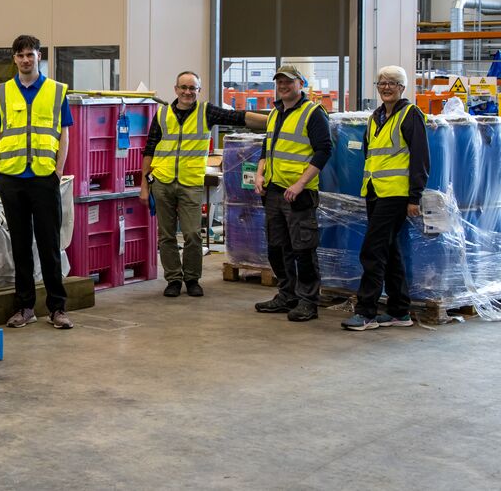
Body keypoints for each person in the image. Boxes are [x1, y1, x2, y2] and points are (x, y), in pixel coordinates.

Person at [141, 71, 268, 298]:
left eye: (193, 88)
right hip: (162, 181)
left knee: (192, 234)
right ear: (176, 89)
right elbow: (149, 150)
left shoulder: (205, 112)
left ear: (198, 91)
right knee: (166, 236)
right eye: (184, 87)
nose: (188, 92)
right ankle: (173, 279)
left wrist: (275, 122)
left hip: (190, 182)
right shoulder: (161, 115)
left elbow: (239, 117)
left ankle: (191, 279)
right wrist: (144, 186)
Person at [0, 35, 75, 330]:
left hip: (44, 177)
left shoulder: (56, 91)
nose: (26, 59)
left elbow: (65, 133)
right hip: (12, 179)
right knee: (20, 246)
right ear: (14, 59)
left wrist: (58, 169)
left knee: (50, 244)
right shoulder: (1, 92)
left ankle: (57, 308)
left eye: (31, 54)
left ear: (40, 56)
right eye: (21, 55)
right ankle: (24, 307)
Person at [342, 66, 428, 331]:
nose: (386, 87)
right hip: (374, 191)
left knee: (373, 250)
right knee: (389, 251)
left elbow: (420, 159)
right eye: (382, 83)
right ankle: (399, 311)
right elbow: (371, 155)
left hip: (396, 194)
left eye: (393, 83)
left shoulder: (410, 115)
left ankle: (366, 312)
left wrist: (415, 196)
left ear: (403, 88)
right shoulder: (375, 117)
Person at [253, 64, 332, 322]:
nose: (283, 86)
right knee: (277, 247)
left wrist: (300, 184)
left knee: (303, 249)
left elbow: (324, 151)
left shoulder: (313, 113)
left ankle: (308, 300)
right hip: (274, 191)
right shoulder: (276, 113)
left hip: (299, 193)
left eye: (288, 81)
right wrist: (260, 173)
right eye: (279, 81)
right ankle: (287, 295)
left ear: (301, 83)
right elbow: (268, 147)